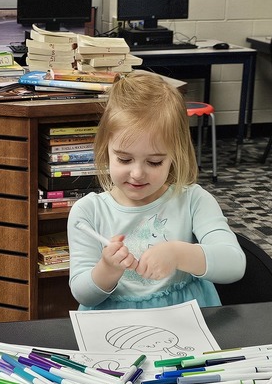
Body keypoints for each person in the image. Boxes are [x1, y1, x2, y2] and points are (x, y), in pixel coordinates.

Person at [67, 71, 245, 310]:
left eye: (154, 162)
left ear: (175, 155)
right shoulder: (88, 212)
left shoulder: (193, 200)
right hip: (113, 327)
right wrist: (107, 269)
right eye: (124, 159)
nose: (138, 173)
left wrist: (179, 254)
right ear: (105, 150)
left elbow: (234, 264)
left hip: (185, 322)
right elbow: (83, 294)